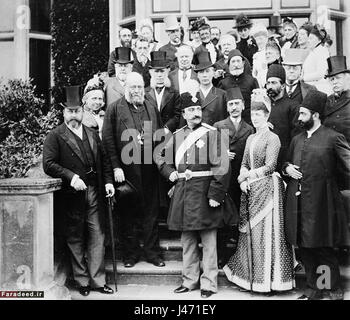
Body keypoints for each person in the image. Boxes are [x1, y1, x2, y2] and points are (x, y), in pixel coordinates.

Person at [156, 91, 236, 299]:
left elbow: (222, 166)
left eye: (198, 109)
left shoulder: (212, 134)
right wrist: (170, 173)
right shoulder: (177, 135)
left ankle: (209, 283)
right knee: (187, 240)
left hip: (205, 192)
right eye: (191, 110)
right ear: (183, 113)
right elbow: (159, 157)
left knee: (209, 240)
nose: (195, 113)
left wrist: (216, 194)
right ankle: (189, 281)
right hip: (183, 192)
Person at [43, 85, 115, 296]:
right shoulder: (55, 136)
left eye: (77, 111)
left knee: (97, 235)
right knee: (75, 237)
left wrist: (109, 182)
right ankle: (82, 282)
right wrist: (71, 176)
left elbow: (105, 161)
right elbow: (48, 163)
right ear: (64, 112)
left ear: (82, 111)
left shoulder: (92, 133)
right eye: (70, 111)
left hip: (94, 191)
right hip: (71, 196)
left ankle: (98, 281)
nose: (74, 115)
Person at [223, 89, 294, 293]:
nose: (255, 118)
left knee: (267, 235)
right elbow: (244, 163)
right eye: (253, 114)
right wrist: (242, 178)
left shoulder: (273, 138)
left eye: (259, 114)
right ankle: (252, 279)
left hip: (269, 190)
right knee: (252, 235)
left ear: (266, 115)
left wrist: (248, 176)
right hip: (252, 189)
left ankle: (270, 282)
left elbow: (271, 166)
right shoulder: (251, 139)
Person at [283, 90, 350, 300]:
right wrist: (287, 169)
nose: (299, 118)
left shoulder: (333, 138)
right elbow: (285, 163)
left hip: (323, 203)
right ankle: (314, 288)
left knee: (322, 247)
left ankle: (330, 287)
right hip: (298, 204)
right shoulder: (296, 139)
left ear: (315, 115)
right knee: (305, 246)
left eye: (303, 114)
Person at [102, 72, 164, 268]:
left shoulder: (151, 107)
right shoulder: (114, 109)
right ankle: (130, 254)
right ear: (126, 88)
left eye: (139, 87)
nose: (136, 91)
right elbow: (108, 142)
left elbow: (161, 137)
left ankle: (152, 253)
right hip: (126, 171)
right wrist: (116, 167)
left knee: (151, 213)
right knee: (128, 214)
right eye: (132, 87)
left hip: (149, 169)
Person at [214, 87, 254, 267]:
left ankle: (238, 254)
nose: (234, 107)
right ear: (227, 107)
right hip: (223, 179)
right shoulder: (219, 126)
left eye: (237, 103)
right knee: (222, 218)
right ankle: (221, 254)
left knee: (240, 214)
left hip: (241, 178)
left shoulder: (250, 128)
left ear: (243, 105)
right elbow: (211, 153)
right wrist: (223, 153)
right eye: (231, 104)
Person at [323, 56, 350, 231]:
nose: (335, 82)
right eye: (332, 79)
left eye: (338, 77)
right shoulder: (327, 102)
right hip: (330, 164)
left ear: (348, 77)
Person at [179, 51, 227, 127]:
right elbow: (183, 124)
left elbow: (225, 123)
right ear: (197, 75)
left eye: (207, 71)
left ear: (213, 73)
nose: (205, 75)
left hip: (215, 136)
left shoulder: (222, 95)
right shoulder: (189, 95)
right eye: (201, 72)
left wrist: (224, 139)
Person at [266, 64, 299, 171]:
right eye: (268, 83)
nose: (270, 86)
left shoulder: (293, 106)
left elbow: (296, 137)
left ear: (283, 86)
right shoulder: (263, 105)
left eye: (274, 83)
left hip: (283, 158)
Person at [218, 49, 259, 125]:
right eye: (233, 62)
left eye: (238, 61)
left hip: (249, 123)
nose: (236, 65)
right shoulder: (223, 83)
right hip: (229, 123)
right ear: (229, 65)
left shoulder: (252, 81)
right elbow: (221, 107)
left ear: (243, 63)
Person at [145, 51, 181, 133]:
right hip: (149, 134)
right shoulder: (144, 93)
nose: (159, 75)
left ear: (168, 71)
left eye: (162, 71)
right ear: (151, 72)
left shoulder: (174, 93)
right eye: (156, 71)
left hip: (168, 134)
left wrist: (167, 128)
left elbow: (177, 115)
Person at [302, 24, 332, 95]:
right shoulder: (313, 52)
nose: (308, 41)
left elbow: (321, 73)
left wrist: (303, 78)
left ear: (319, 40)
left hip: (320, 89)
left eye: (311, 38)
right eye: (308, 38)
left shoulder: (322, 52)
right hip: (311, 89)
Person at [251, 24, 269, 88]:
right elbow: (254, 74)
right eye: (257, 39)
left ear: (266, 38)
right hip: (259, 85)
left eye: (261, 39)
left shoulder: (269, 53)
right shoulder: (256, 55)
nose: (259, 42)